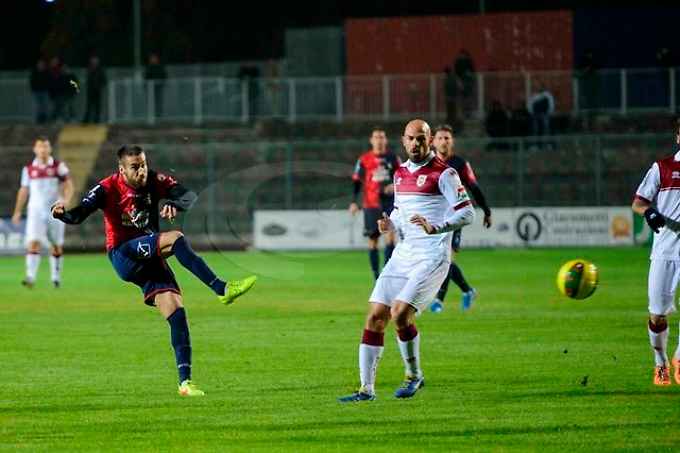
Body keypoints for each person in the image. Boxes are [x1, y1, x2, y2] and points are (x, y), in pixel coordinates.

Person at [51, 145, 257, 396]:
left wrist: (173, 202)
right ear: (122, 169)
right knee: (176, 238)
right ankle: (221, 288)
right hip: (123, 253)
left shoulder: (154, 180)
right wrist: (62, 214)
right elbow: (79, 214)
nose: (141, 171)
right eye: (135, 167)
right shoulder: (107, 187)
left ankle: (185, 383)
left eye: (144, 164)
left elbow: (188, 196)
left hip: (149, 256)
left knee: (176, 311)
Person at [339, 119, 475, 402]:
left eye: (422, 139)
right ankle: (366, 389)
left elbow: (467, 213)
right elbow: (402, 209)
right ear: (403, 141)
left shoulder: (445, 174)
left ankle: (414, 375)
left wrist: (436, 227)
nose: (416, 144)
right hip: (404, 255)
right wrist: (391, 222)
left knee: (399, 313)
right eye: (412, 139)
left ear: (430, 141)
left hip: (432, 257)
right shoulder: (400, 173)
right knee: (375, 315)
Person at [632, 120, 680, 386]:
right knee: (657, 314)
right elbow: (639, 203)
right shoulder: (662, 168)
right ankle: (660, 361)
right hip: (665, 250)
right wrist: (649, 212)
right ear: (678, 137)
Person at [429, 124, 492, 313]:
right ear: (433, 141)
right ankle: (467, 291)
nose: (443, 141)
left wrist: (486, 211)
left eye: (447, 138)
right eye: (440, 138)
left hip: (455, 217)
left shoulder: (460, 164)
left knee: (445, 259)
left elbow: (474, 187)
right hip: (434, 218)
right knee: (440, 260)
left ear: (452, 141)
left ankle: (439, 300)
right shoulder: (428, 164)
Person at [12, 137, 73, 288]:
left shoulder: (58, 166)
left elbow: (69, 185)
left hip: (55, 211)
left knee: (56, 245)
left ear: (50, 148)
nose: (43, 150)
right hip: (35, 211)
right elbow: (24, 190)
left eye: (46, 146)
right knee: (33, 243)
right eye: (40, 147)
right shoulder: (28, 169)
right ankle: (30, 277)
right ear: (35, 149)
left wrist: (66, 200)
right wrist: (17, 211)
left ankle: (55, 277)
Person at [349, 127, 401, 280]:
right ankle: (376, 276)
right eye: (376, 137)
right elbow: (357, 181)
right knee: (373, 239)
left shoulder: (393, 158)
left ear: (385, 140)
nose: (379, 140)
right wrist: (353, 202)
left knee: (390, 237)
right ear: (371, 140)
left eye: (382, 137)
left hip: (389, 203)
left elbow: (404, 178)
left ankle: (387, 273)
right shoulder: (364, 159)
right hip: (371, 203)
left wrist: (395, 186)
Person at [83, 56, 107, 123]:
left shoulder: (100, 70)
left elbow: (104, 80)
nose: (94, 63)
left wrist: (100, 86)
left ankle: (96, 121)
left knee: (97, 107)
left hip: (97, 91)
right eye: (93, 61)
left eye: (95, 61)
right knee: (89, 106)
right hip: (90, 91)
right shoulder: (89, 69)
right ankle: (86, 121)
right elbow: (88, 80)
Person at [454, 50, 476, 116]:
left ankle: (468, 113)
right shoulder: (459, 62)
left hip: (467, 83)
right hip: (464, 83)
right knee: (463, 99)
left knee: (467, 99)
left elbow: (472, 71)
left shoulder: (468, 62)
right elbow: (457, 73)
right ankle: (464, 113)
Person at [145, 53, 167, 118]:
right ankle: (151, 115)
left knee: (158, 102)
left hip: (158, 88)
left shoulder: (160, 67)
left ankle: (159, 115)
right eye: (152, 58)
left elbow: (164, 76)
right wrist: (146, 86)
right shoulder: (149, 68)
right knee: (151, 102)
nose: (153, 60)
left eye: (154, 58)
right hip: (150, 88)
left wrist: (162, 83)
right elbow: (146, 77)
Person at [29, 60, 50, 124]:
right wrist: (33, 89)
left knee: (45, 106)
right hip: (36, 92)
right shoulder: (34, 72)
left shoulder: (46, 73)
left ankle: (45, 120)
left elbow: (48, 82)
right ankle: (36, 120)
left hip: (44, 91)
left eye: (42, 65)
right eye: (40, 64)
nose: (41, 66)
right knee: (36, 106)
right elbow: (31, 81)